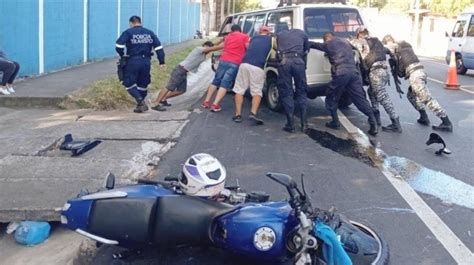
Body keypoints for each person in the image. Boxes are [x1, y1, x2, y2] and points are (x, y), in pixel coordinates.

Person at [310, 32, 378, 136]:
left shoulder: (328, 44)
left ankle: (335, 122)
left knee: (331, 95)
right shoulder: (345, 42)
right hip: (354, 73)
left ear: (326, 39)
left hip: (341, 73)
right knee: (359, 99)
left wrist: (303, 42)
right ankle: (373, 122)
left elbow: (313, 44)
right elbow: (356, 50)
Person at [382, 35, 453, 132]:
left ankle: (446, 122)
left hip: (415, 75)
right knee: (411, 95)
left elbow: (386, 48)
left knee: (426, 99)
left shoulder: (394, 46)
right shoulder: (404, 46)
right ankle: (423, 117)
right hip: (419, 72)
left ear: (387, 42)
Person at [351, 28, 401, 133]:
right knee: (371, 92)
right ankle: (376, 117)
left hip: (376, 71)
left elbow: (353, 48)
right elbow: (390, 50)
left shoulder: (361, 42)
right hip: (384, 71)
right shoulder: (377, 42)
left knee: (382, 96)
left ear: (359, 34)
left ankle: (395, 122)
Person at [115, 15, 165, 113]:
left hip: (133, 61)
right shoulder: (149, 33)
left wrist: (122, 55)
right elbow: (158, 47)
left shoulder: (128, 32)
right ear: (140, 22)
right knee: (143, 83)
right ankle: (140, 105)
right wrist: (161, 61)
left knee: (127, 82)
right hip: (146, 61)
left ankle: (140, 102)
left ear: (131, 23)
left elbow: (119, 45)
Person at [151, 41, 215, 111]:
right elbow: (213, 48)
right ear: (204, 45)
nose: (209, 50)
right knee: (169, 87)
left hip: (184, 72)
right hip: (180, 70)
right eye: (208, 47)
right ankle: (156, 103)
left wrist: (222, 40)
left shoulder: (203, 54)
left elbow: (213, 47)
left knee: (181, 90)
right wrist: (224, 44)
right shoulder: (199, 49)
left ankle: (163, 99)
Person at [201, 24, 249, 112]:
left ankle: (206, 102)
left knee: (216, 80)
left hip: (223, 60)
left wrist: (209, 48)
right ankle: (215, 104)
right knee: (225, 84)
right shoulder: (245, 36)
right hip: (235, 62)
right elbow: (248, 47)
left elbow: (221, 45)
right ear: (240, 30)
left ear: (232, 30)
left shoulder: (228, 37)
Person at [232, 26, 273, 125]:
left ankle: (238, 115)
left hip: (244, 64)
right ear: (269, 32)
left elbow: (247, 46)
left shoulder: (254, 38)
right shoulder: (272, 40)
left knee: (239, 90)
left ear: (259, 32)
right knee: (256, 91)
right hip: (258, 67)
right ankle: (253, 114)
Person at [276, 27, 310, 133]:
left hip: (284, 62)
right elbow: (306, 50)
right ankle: (304, 124)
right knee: (302, 91)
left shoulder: (280, 34)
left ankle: (290, 124)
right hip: (298, 62)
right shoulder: (303, 34)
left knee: (286, 92)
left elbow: (276, 49)